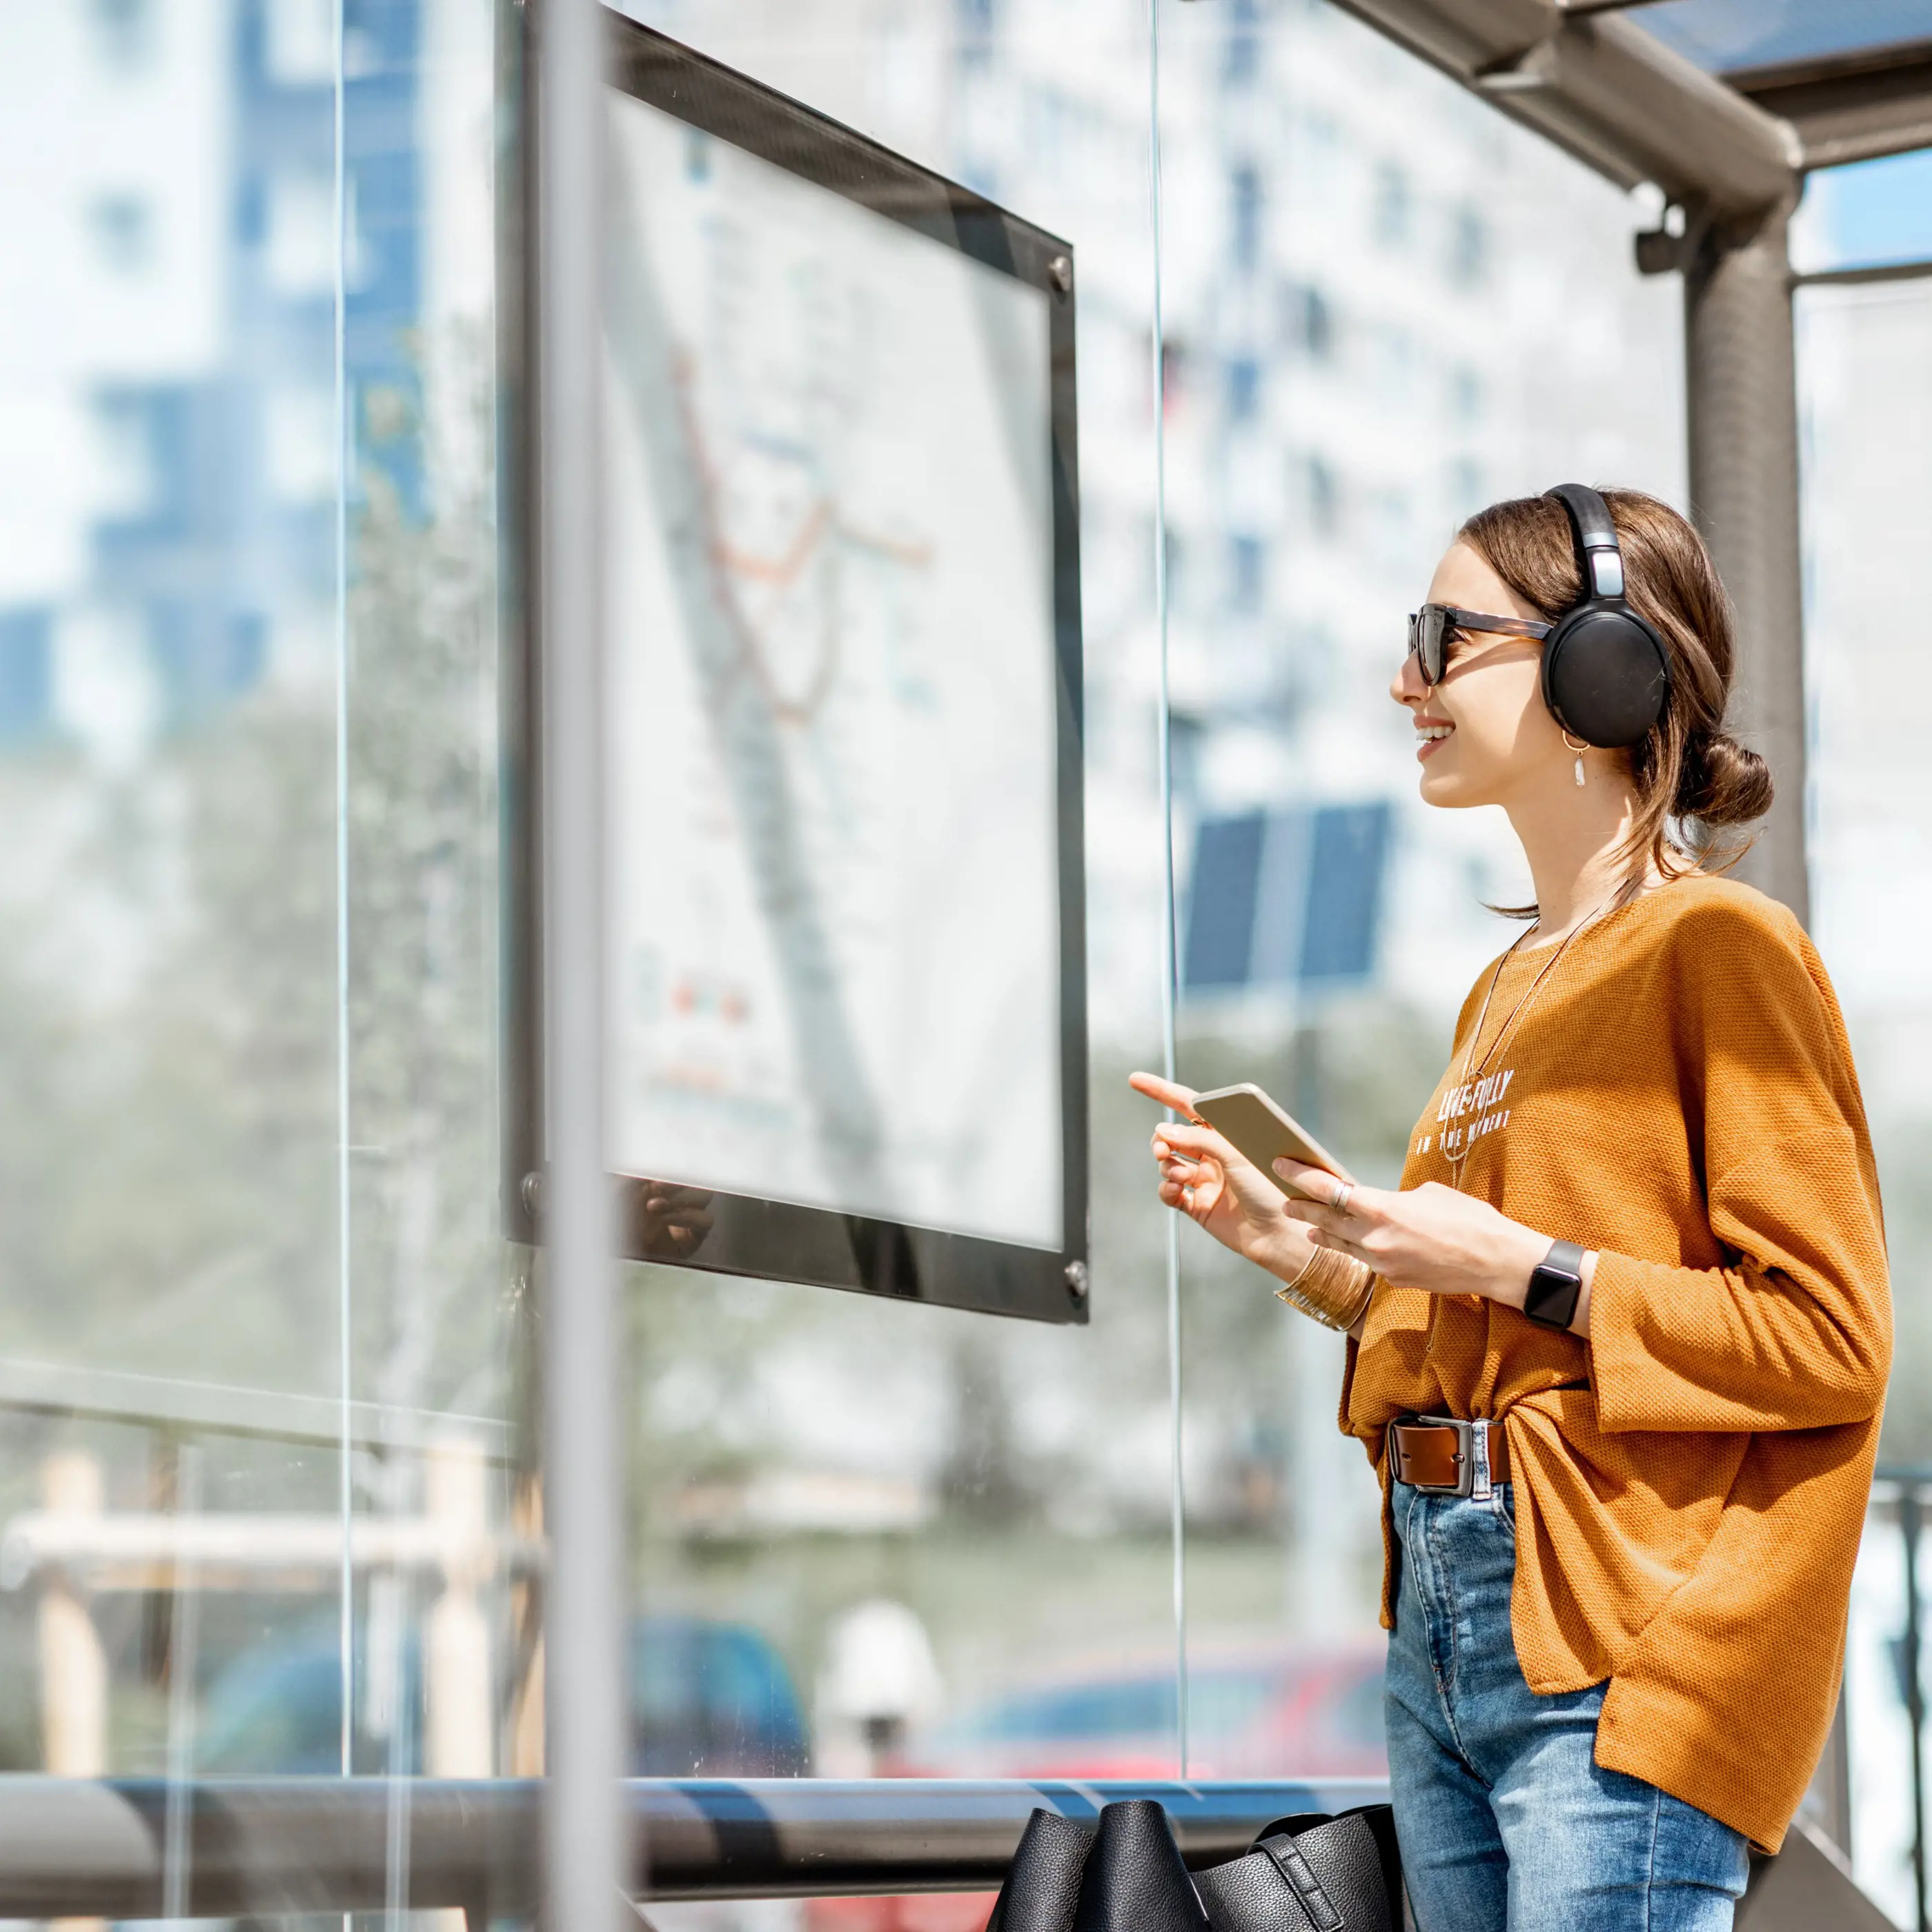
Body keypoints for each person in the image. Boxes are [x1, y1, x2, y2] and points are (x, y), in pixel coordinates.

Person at [1132, 487, 1889, 1932]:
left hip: (1608, 1632)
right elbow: (1490, 1315)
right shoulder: (1506, 988)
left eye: (1439, 635)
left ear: (1598, 663)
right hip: (1439, 1615)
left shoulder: (1720, 948)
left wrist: (1523, 1262)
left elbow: (1827, 1335)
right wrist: (1303, 1253)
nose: (1402, 677)